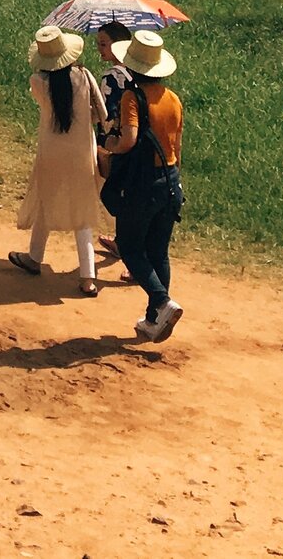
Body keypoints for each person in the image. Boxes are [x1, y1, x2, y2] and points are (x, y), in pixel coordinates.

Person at [99, 29, 187, 342]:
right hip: (170, 180)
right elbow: (176, 142)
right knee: (158, 251)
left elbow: (129, 140)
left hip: (141, 183)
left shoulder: (131, 97)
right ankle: (154, 319)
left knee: (131, 247)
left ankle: (162, 302)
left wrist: (109, 141)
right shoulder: (173, 99)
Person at [8, 26, 105, 295]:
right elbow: (102, 112)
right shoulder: (84, 76)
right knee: (82, 211)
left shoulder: (38, 82)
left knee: (45, 201)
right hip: (82, 152)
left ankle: (34, 257)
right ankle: (88, 278)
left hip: (51, 151)